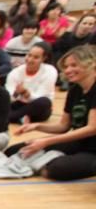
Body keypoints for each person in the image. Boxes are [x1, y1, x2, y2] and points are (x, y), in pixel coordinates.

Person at [6, 45, 96, 181]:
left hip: (93, 149)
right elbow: (63, 126)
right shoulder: (74, 90)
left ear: (90, 64)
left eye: (74, 65)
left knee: (55, 170)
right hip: (77, 142)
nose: (68, 70)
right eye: (66, 67)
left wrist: (46, 142)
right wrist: (37, 126)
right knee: (13, 151)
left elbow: (92, 128)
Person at [5, 43, 57, 124]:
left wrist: (27, 94)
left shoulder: (50, 71)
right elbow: (9, 98)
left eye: (36, 57)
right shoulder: (15, 72)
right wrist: (16, 93)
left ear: (44, 58)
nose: (30, 59)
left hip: (36, 107)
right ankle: (20, 118)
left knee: (45, 102)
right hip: (18, 105)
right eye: (29, 55)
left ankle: (9, 117)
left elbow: (41, 96)